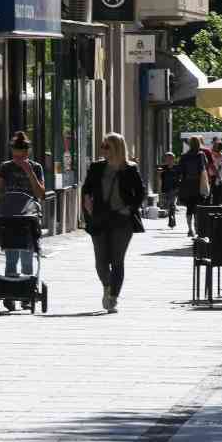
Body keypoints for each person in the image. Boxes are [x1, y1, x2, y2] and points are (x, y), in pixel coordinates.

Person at [82, 133, 145, 313]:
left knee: (117, 260)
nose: (103, 149)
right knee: (100, 261)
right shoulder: (96, 167)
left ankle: (113, 297)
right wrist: (86, 199)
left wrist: (129, 209)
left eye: (106, 146)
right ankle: (107, 286)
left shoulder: (130, 169)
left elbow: (140, 193)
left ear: (117, 148)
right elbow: (87, 188)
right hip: (100, 217)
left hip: (121, 220)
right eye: (102, 146)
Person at [0, 131, 45, 310]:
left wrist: (29, 171)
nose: (18, 159)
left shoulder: (36, 167)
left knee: (27, 258)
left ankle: (26, 292)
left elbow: (40, 194)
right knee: (11, 256)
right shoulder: (6, 167)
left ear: (27, 152)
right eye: (15, 155)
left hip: (28, 217)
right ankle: (9, 292)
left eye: (22, 155)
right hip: (9, 216)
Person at [177, 136, 208, 236]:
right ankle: (196, 227)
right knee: (198, 207)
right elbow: (204, 168)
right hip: (199, 184)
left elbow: (180, 170)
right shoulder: (201, 155)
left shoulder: (184, 156)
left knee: (189, 207)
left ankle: (190, 229)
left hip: (187, 184)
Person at [157, 152, 180, 226]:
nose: (169, 160)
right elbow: (159, 178)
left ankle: (171, 218)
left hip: (174, 188)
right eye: (167, 158)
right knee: (167, 205)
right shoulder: (163, 167)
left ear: (173, 159)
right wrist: (159, 173)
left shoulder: (177, 168)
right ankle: (171, 216)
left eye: (170, 158)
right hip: (165, 188)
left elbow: (181, 177)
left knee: (172, 203)